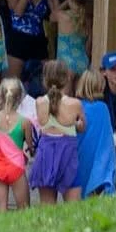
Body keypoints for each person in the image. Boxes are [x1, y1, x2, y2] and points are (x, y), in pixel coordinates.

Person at [29, 60, 83, 205]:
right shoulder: (74, 104)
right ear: (67, 78)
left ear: (45, 80)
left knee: (47, 208)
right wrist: (77, 124)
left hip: (46, 152)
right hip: (67, 153)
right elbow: (82, 127)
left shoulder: (39, 102)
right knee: (73, 208)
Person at [6, 0, 61, 89]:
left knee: (48, 84)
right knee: (13, 87)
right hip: (18, 40)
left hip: (39, 40)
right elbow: (18, 12)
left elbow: (57, 15)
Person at [0, 77, 31, 213]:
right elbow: (30, 146)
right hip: (16, 166)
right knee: (24, 210)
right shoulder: (24, 121)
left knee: (0, 210)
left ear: (0, 95)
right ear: (20, 98)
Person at [75, 69, 116, 197]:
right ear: (100, 86)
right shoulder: (102, 108)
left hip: (79, 155)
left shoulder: (76, 106)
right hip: (98, 161)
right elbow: (106, 139)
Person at [54, 0, 91, 77]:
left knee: (64, 92)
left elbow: (52, 15)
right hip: (83, 62)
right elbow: (88, 46)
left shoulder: (64, 16)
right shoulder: (87, 20)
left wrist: (67, 1)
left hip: (66, 64)